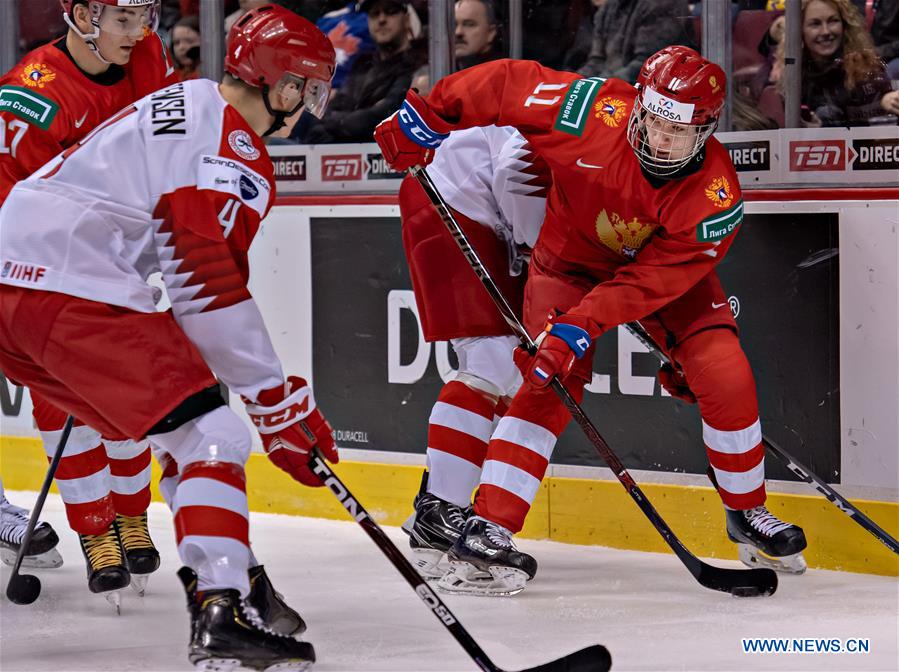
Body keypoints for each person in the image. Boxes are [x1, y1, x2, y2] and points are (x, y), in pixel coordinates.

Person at [376, 45, 808, 596]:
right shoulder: (592, 110)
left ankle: (747, 512)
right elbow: (508, 81)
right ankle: (490, 524)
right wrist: (424, 114)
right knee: (548, 378)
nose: (660, 139)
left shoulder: (715, 199)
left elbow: (650, 284)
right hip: (567, 266)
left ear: (707, 128)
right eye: (653, 120)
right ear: (641, 106)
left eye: (679, 131)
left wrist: (588, 327)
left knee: (722, 368)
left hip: (651, 270)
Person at [0, 4, 337, 667]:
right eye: (311, 90)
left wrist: (264, 394)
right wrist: (275, 406)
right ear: (287, 85)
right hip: (64, 289)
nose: (308, 109)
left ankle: (231, 574)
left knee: (178, 429)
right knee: (217, 434)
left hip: (16, 288)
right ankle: (221, 609)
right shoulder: (234, 151)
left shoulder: (185, 96)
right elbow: (207, 287)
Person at [0, 0, 179, 601]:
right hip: (45, 264)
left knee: (133, 390)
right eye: (123, 21)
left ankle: (132, 517)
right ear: (80, 16)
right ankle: (94, 529)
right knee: (60, 400)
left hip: (124, 252)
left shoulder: (149, 55)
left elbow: (171, 144)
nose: (139, 33)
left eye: (145, 18)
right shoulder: (32, 93)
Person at [397, 126, 549, 581]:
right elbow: (516, 165)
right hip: (454, 202)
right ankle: (440, 513)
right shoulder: (596, 127)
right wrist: (535, 243)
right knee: (493, 358)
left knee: (513, 369)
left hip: (468, 206)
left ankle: (436, 507)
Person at [293, 0, 423, 143]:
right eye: (375, 14)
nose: (382, 19)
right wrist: (345, 120)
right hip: (344, 147)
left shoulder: (418, 63)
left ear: (406, 18)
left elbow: (385, 115)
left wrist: (340, 121)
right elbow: (334, 107)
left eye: (391, 12)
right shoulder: (363, 63)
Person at [759, 0, 899, 125]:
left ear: (844, 26)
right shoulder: (791, 70)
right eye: (815, 24)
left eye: (833, 21)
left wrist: (882, 104)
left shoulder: (864, 66)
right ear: (800, 30)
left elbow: (870, 117)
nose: (825, 31)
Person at [577, 0, 691, 83]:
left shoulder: (663, 4)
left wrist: (600, 87)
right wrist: (573, 84)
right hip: (613, 87)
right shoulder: (609, 7)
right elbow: (597, 61)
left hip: (656, 97)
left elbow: (647, 67)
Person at [454, 0, 503, 70]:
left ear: (491, 32)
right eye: (453, 25)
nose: (458, 32)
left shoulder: (501, 72)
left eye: (469, 25)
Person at [171, 14, 201, 81]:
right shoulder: (170, 76)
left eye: (189, 41)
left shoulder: (212, 74)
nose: (181, 47)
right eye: (176, 42)